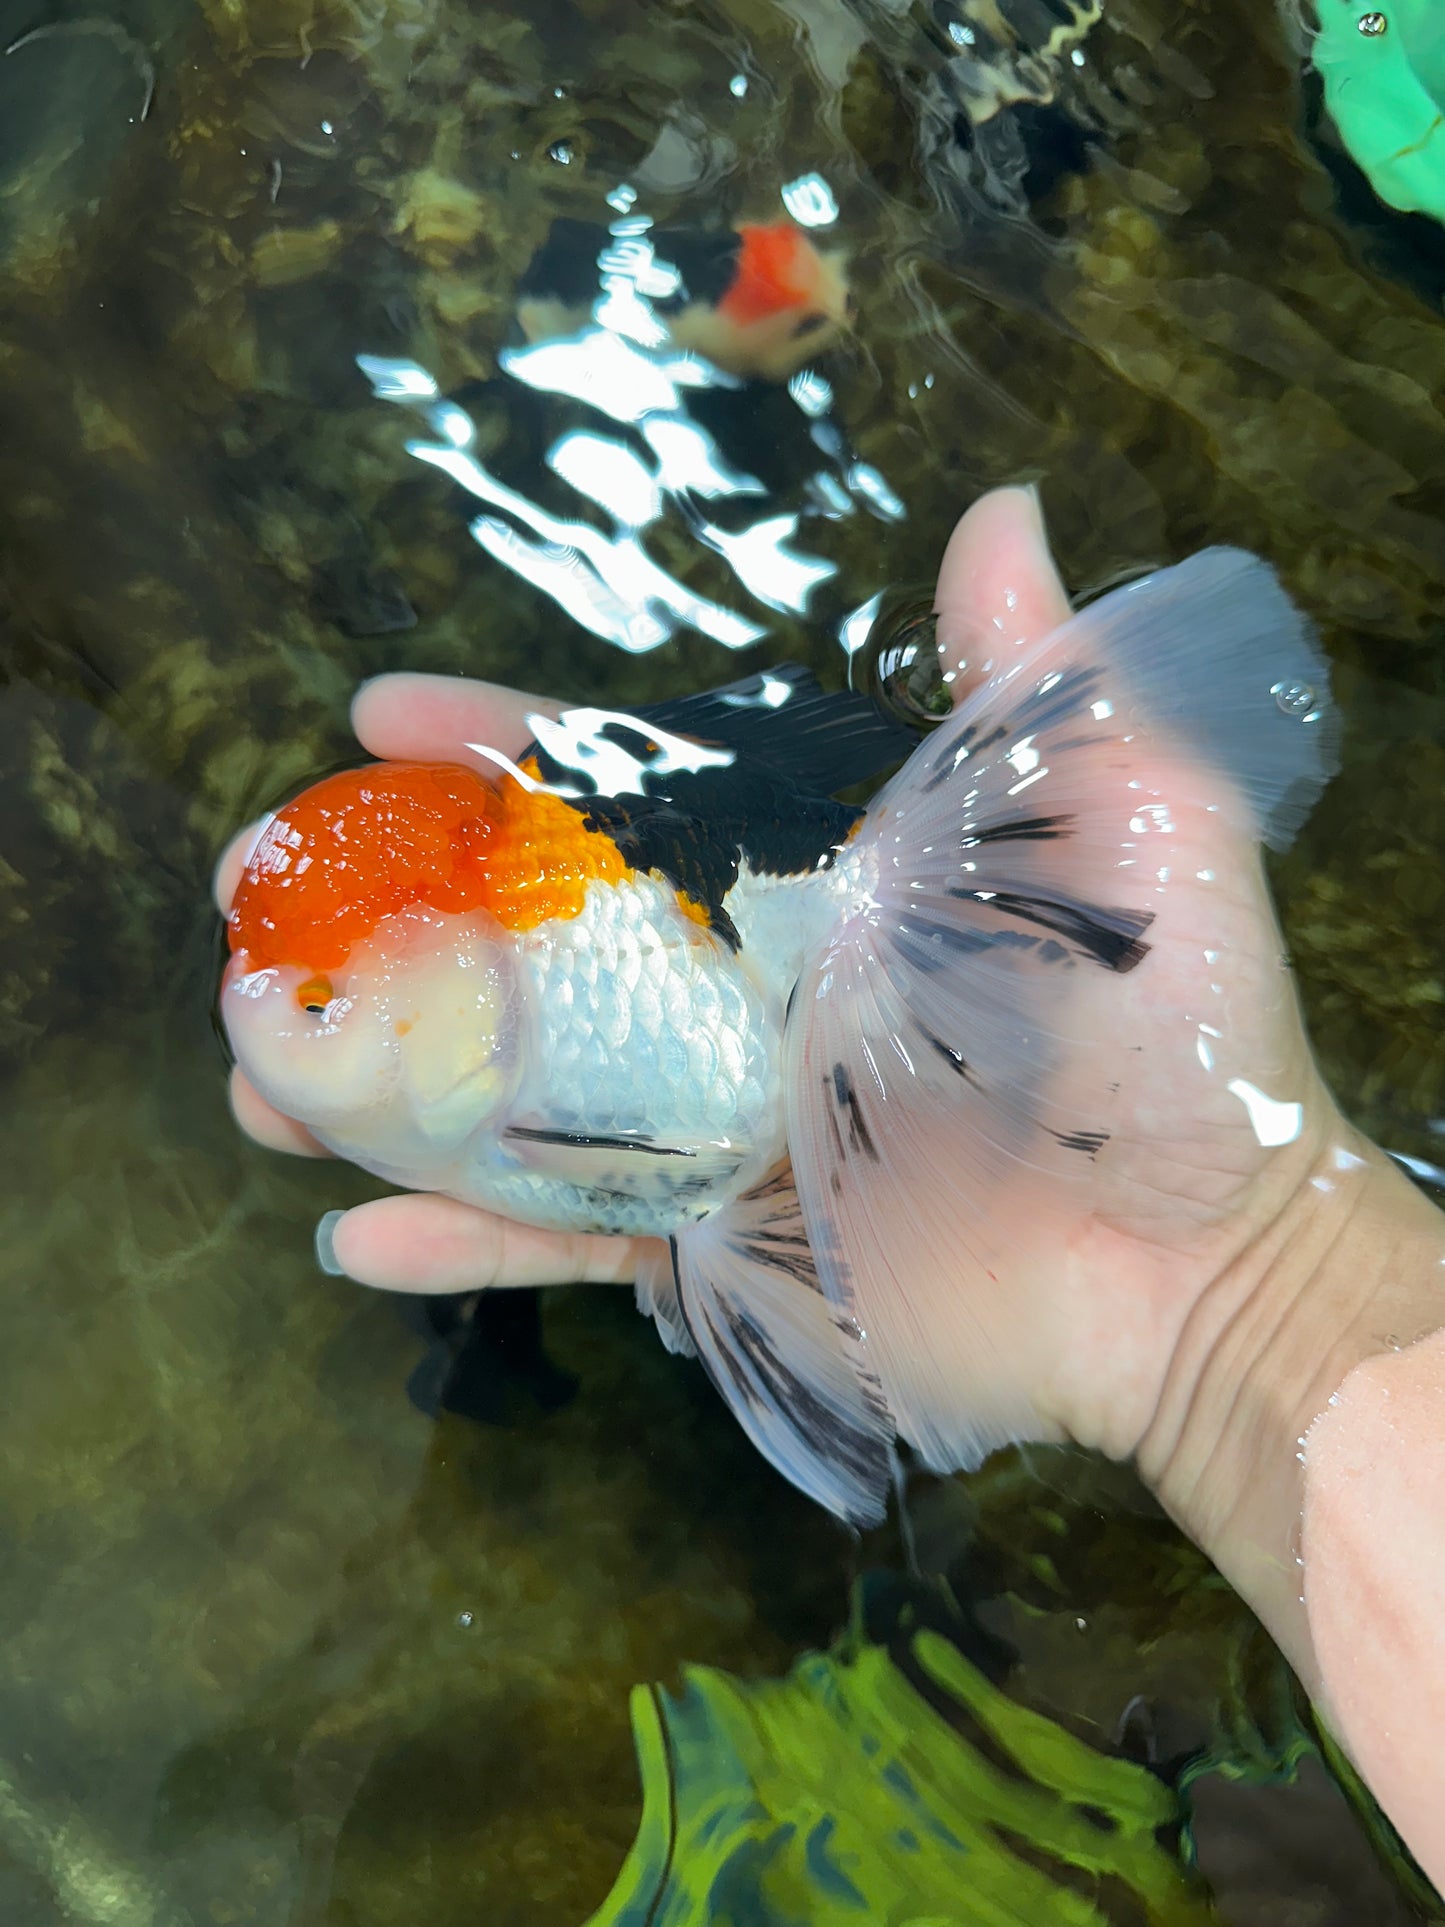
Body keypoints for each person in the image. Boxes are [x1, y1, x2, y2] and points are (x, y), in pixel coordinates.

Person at [214, 487, 1445, 1889]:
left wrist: (1251, 1272)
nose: (265, 1014)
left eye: (315, 998)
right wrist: (1262, 1288)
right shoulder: (463, 1034)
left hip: (762, 951)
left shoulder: (524, 1050)